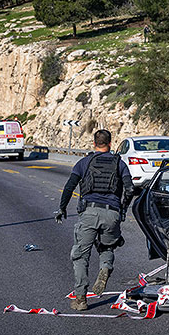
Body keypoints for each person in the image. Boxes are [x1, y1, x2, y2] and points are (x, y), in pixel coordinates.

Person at [55, 129, 135, 311]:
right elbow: (130, 189)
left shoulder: (84, 162)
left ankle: (81, 300)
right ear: (110, 143)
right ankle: (105, 267)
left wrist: (62, 208)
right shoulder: (119, 164)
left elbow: (69, 187)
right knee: (107, 247)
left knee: (81, 255)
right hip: (112, 213)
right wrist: (122, 209)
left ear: (94, 143)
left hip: (89, 213)